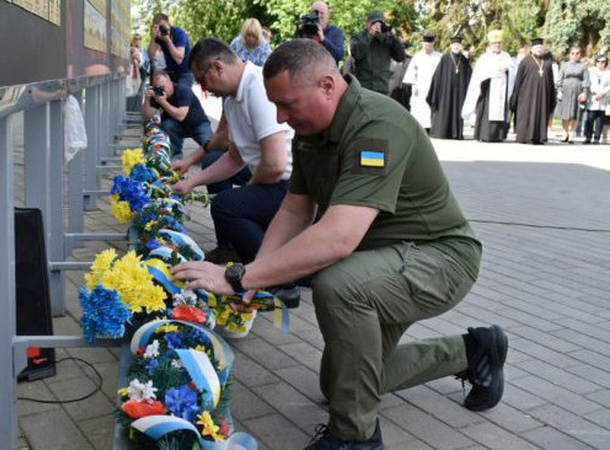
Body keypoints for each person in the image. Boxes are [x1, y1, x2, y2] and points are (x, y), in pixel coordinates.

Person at [172, 39, 507, 450]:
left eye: (288, 104)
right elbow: (295, 211)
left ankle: (355, 437)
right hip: (384, 263)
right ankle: (474, 351)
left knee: (338, 285)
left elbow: (338, 238)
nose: (280, 116)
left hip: (440, 259)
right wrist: (259, 274)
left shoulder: (376, 126)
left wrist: (239, 277)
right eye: (275, 106)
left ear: (328, 86)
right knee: (341, 384)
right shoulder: (310, 131)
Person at [173, 38, 295, 281]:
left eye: (202, 81)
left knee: (226, 205)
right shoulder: (231, 99)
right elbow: (235, 158)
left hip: (291, 185)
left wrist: (249, 191)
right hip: (271, 177)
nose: (204, 90)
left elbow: (275, 165)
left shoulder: (258, 88)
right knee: (218, 174)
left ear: (218, 67)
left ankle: (277, 278)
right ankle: (241, 252)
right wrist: (191, 182)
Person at [462, 29, 516, 142]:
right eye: (495, 43)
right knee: (488, 111)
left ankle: (499, 135)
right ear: (490, 45)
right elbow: (479, 74)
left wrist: (507, 69)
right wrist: (495, 71)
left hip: (502, 88)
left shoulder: (506, 56)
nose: (497, 45)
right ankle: (485, 134)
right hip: (488, 89)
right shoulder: (485, 57)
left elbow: (513, 69)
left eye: (499, 43)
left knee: (501, 111)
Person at [141, 70, 211, 157]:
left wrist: (163, 102)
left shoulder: (182, 90)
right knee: (167, 125)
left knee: (211, 150)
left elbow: (181, 116)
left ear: (170, 82)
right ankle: (176, 153)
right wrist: (147, 99)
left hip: (198, 125)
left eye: (163, 87)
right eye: (157, 87)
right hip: (177, 127)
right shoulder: (158, 94)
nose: (161, 90)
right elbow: (147, 116)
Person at [509, 38, 556, 145]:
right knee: (527, 115)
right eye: (537, 48)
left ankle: (539, 137)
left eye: (541, 48)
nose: (539, 50)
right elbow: (518, 80)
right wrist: (516, 95)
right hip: (527, 95)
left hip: (543, 95)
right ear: (532, 49)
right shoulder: (526, 61)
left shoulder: (547, 62)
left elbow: (551, 79)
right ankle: (525, 137)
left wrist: (552, 95)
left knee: (542, 114)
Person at [350, 9, 406, 95]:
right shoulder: (359, 37)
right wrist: (370, 35)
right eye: (373, 23)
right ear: (367, 23)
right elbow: (356, 54)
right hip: (364, 88)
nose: (376, 26)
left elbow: (401, 57)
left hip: (382, 88)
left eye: (380, 24)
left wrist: (394, 38)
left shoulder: (387, 39)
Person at [426, 36, 472, 140]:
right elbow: (437, 76)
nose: (456, 47)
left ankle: (456, 133)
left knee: (457, 110)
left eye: (458, 45)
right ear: (451, 46)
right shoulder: (445, 58)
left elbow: (469, 75)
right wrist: (435, 91)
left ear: (461, 46)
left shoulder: (464, 60)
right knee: (444, 109)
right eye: (454, 45)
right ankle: (442, 133)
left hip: (459, 92)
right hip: (445, 91)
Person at [402, 34, 442, 132]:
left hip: (434, 86)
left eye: (428, 45)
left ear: (432, 44)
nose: (426, 48)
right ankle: (419, 127)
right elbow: (412, 72)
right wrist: (414, 85)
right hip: (420, 86)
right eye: (424, 45)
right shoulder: (417, 56)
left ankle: (432, 126)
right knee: (419, 106)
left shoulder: (439, 57)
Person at [552, 46, 590, 143]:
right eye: (573, 53)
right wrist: (559, 91)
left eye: (577, 53)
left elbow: (586, 80)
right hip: (565, 91)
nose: (575, 55)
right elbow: (559, 79)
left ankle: (572, 134)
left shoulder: (583, 66)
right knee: (565, 113)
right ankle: (565, 133)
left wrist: (584, 92)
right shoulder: (564, 65)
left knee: (575, 113)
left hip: (578, 91)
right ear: (570, 54)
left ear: (580, 55)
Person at [148, 13, 194, 89]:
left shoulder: (178, 33)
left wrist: (168, 41)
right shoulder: (159, 36)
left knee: (182, 96)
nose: (161, 29)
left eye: (162, 26)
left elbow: (179, 59)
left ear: (168, 22)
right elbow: (150, 55)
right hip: (171, 74)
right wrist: (153, 38)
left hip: (185, 73)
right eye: (157, 27)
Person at [583, 54, 609, 144]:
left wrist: (602, 93)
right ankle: (588, 137)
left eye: (603, 62)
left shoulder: (608, 72)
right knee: (590, 118)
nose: (600, 63)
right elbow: (587, 83)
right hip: (593, 98)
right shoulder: (590, 71)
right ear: (596, 62)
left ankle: (597, 138)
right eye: (598, 61)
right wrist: (595, 92)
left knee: (600, 120)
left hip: (603, 98)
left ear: (606, 63)